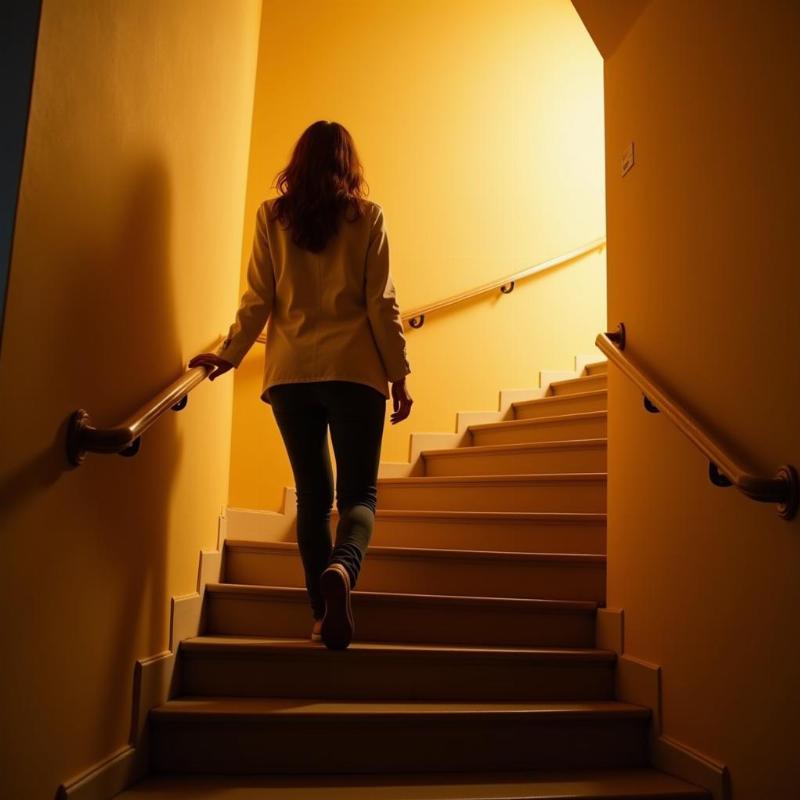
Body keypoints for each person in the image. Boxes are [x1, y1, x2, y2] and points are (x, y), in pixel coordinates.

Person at [189, 120, 413, 651]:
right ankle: (344, 567)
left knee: (314, 497)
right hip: (356, 373)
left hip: (290, 376)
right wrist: (399, 374)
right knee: (359, 494)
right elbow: (382, 303)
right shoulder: (367, 217)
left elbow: (257, 298)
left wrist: (230, 354)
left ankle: (319, 613)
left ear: (300, 162)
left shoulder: (274, 216)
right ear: (347, 164)